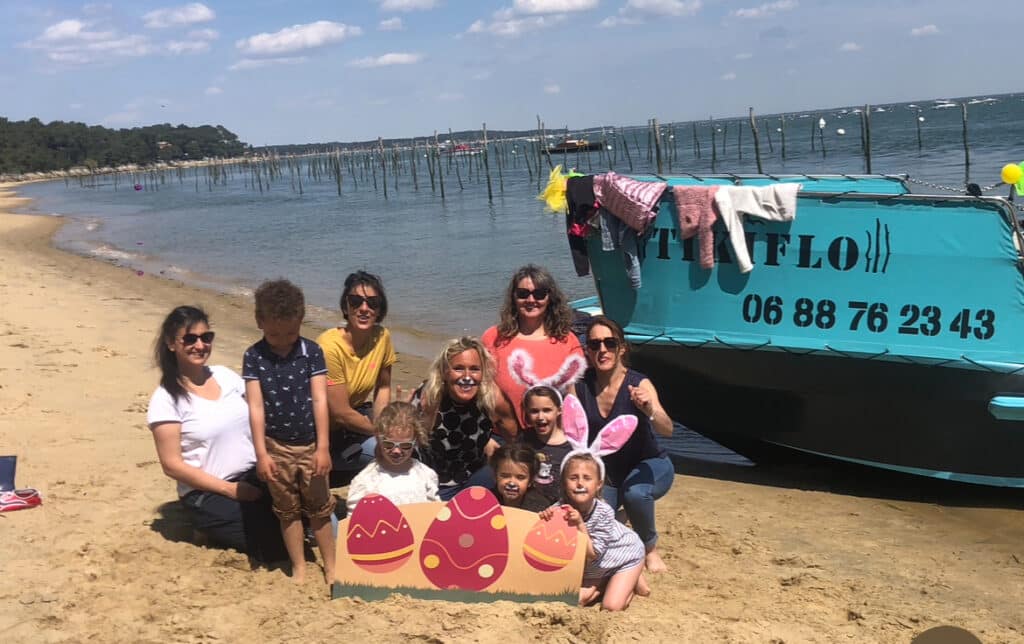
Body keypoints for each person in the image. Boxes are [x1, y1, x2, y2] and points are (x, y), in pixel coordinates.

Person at [147, 305, 284, 564]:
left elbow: (261, 411)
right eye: (190, 338)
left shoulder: (225, 376)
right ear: (171, 343)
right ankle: (207, 526)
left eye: (206, 337)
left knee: (299, 520)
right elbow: (172, 465)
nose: (200, 345)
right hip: (208, 491)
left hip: (254, 475)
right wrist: (231, 490)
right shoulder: (165, 399)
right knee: (273, 545)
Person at [243, 279, 335, 584]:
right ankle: (299, 566)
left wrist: (323, 447)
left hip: (310, 444)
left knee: (320, 509)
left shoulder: (312, 352)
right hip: (275, 446)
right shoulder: (254, 356)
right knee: (287, 510)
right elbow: (255, 407)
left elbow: (321, 400)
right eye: (273, 334)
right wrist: (261, 453)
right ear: (260, 322)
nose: (282, 341)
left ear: (301, 319)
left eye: (290, 333)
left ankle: (331, 567)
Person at [572, 315, 675, 573]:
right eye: (595, 344)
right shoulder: (580, 386)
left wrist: (649, 409)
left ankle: (649, 548)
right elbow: (569, 430)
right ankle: (621, 516)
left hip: (650, 464)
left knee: (635, 494)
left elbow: (668, 429)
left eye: (610, 342)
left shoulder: (638, 383)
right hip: (607, 475)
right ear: (587, 351)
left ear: (622, 347)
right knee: (593, 510)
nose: (602, 350)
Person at [482, 264, 586, 431]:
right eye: (523, 294)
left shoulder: (567, 340)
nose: (531, 300)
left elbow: (573, 399)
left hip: (552, 439)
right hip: (502, 438)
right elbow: (480, 390)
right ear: (514, 297)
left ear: (549, 298)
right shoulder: (493, 337)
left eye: (539, 294)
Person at [540, 452, 648, 611]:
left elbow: (592, 554)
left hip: (624, 554)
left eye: (587, 478)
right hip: (594, 568)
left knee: (611, 606)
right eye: (573, 478)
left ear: (598, 484)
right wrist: (545, 517)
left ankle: (628, 577)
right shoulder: (559, 508)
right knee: (576, 599)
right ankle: (608, 581)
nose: (580, 483)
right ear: (564, 483)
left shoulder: (604, 512)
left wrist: (580, 525)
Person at [413, 336, 516, 500]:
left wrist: (493, 446)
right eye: (459, 368)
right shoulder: (431, 396)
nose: (467, 377)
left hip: (475, 474)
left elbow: (514, 438)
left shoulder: (492, 398)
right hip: (435, 479)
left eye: (475, 369)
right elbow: (409, 442)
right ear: (445, 372)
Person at [317, 271, 395, 471]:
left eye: (372, 303)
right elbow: (341, 413)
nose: (364, 308)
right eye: (356, 301)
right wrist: (382, 434)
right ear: (345, 306)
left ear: (379, 309)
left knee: (408, 434)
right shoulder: (330, 347)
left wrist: (381, 422)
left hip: (356, 420)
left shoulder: (382, 337)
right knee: (385, 451)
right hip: (324, 432)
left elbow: (384, 387)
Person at [346, 402, 439, 512]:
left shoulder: (426, 475)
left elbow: (434, 511)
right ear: (377, 438)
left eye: (405, 445)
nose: (396, 451)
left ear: (416, 441)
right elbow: (355, 520)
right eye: (388, 444)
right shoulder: (365, 480)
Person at [521, 385, 573, 504]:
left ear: (559, 410)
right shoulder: (524, 439)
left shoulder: (571, 445)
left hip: (559, 506)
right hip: (529, 504)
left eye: (547, 410)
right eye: (534, 411)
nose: (540, 417)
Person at [489, 443, 549, 512]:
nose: (512, 483)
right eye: (505, 476)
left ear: (530, 481)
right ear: (495, 476)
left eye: (520, 477)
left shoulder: (540, 507)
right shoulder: (486, 501)